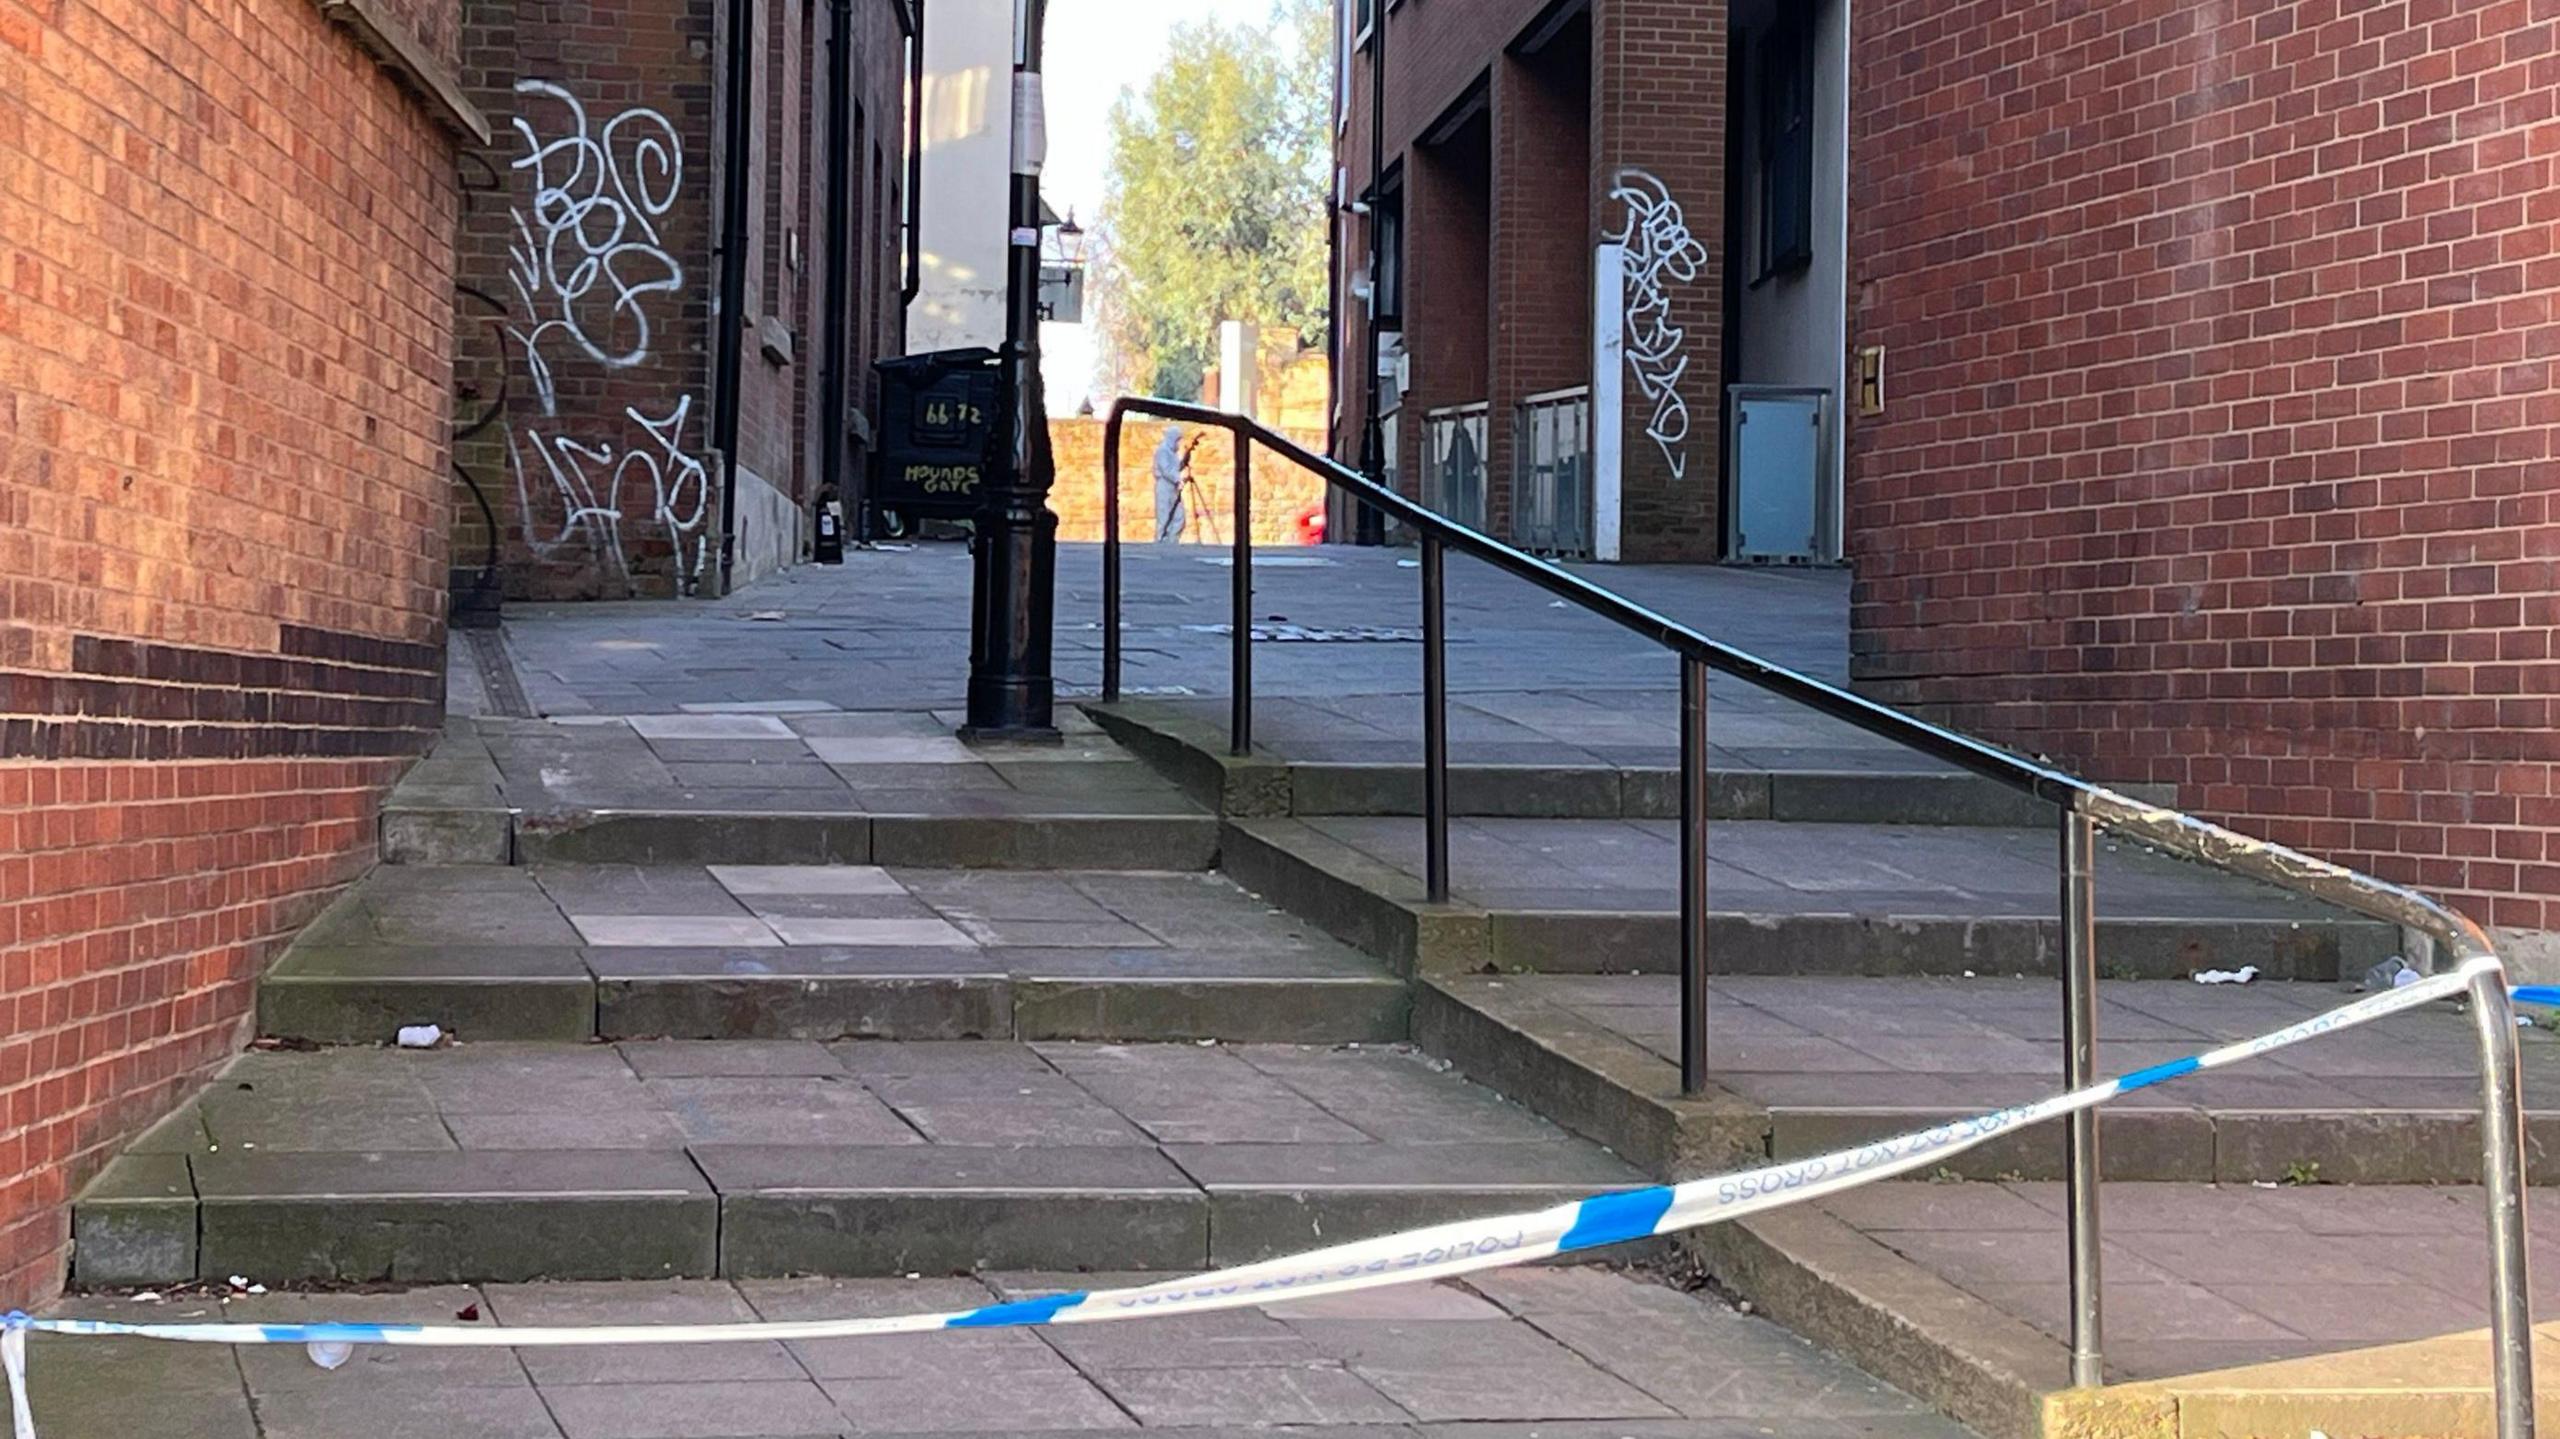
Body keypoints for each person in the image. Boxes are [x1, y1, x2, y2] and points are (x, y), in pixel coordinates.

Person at [1151, 424, 1189, 543]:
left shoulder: (1172, 452)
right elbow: (1166, 470)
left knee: (1179, 517)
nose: (1178, 443)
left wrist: (1186, 460)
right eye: (1177, 440)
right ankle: (1160, 542)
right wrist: (1178, 479)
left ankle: (1172, 542)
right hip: (1164, 486)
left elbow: (1176, 468)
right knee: (1164, 516)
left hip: (1173, 487)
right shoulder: (1162, 451)